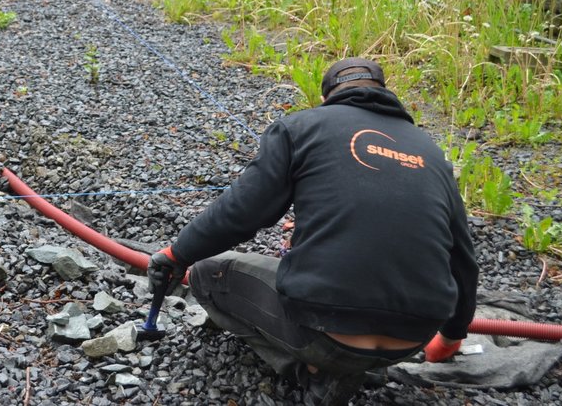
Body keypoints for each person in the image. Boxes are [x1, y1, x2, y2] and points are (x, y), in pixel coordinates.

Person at [148, 57, 478, 406]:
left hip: (323, 331)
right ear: (385, 92)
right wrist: (451, 337)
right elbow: (463, 260)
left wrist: (177, 255)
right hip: (412, 336)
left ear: (326, 98)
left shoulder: (301, 127)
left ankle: (313, 372)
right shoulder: (431, 152)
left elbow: (240, 213)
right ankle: (356, 364)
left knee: (205, 273)